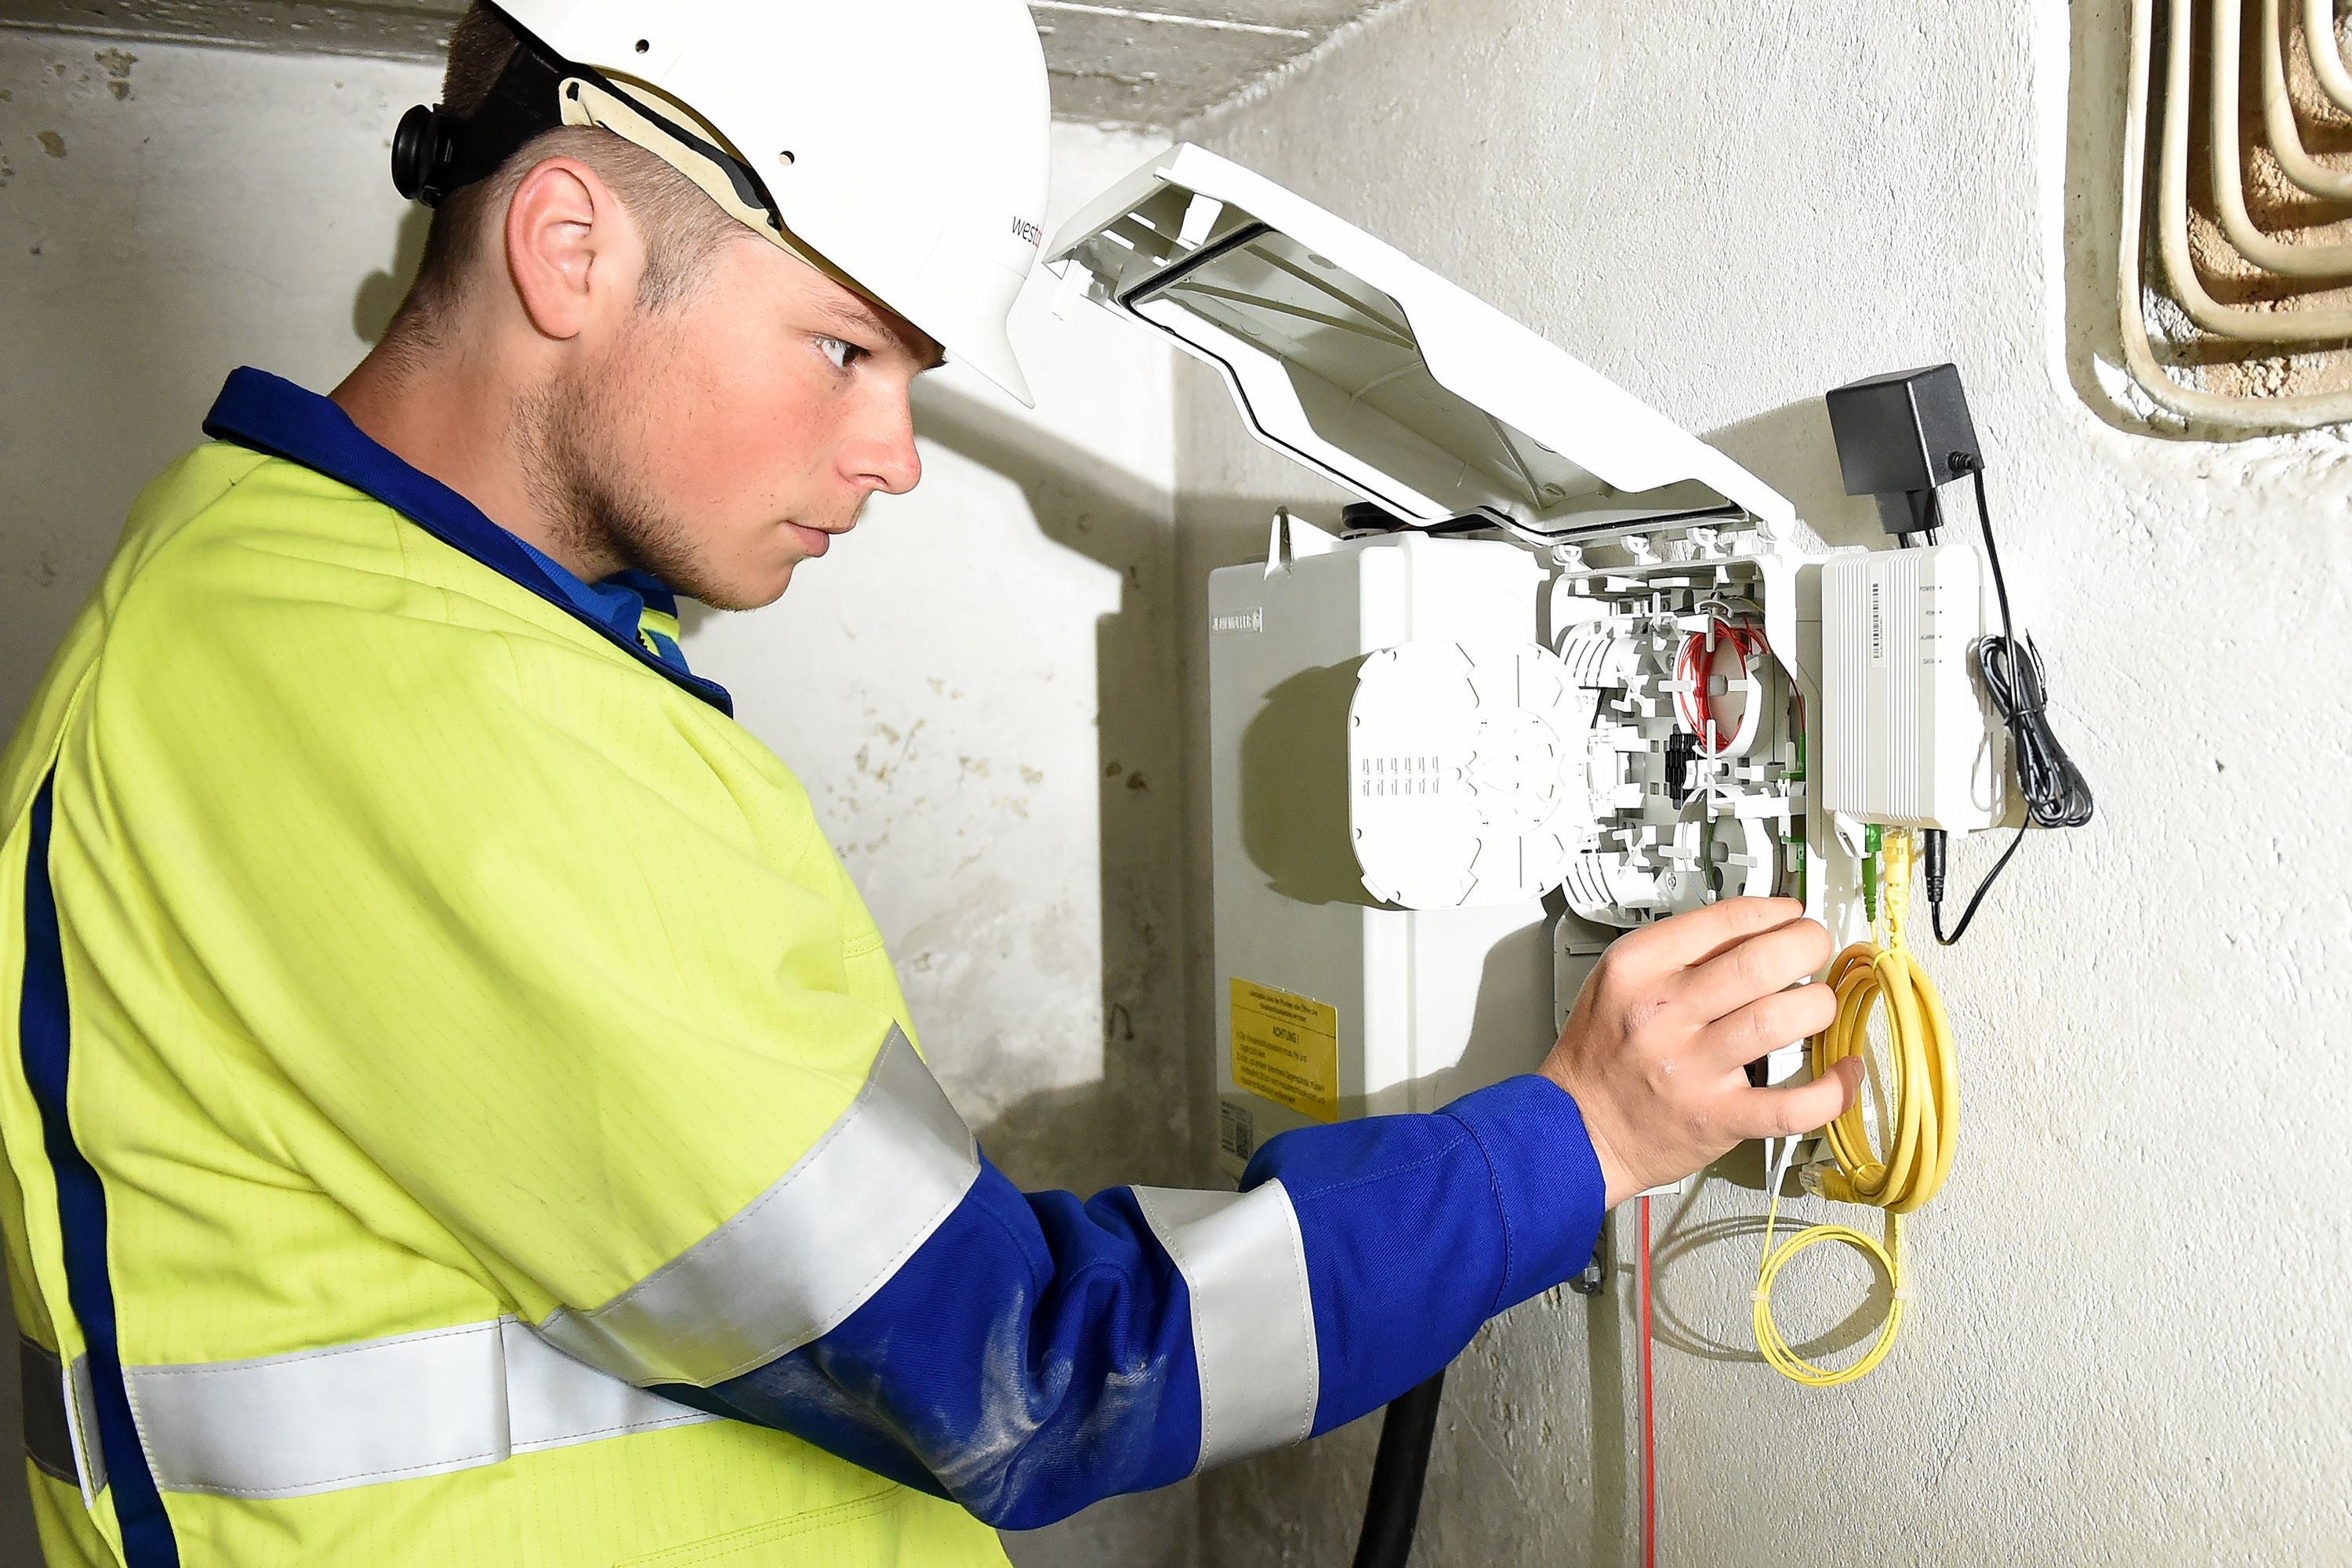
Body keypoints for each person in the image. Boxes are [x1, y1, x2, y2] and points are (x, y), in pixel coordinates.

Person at [0, 2, 1861, 1563]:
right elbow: (1025, 1373)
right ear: (568, 247)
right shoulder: (408, 699)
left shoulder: (301, 603)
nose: (892, 452)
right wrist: (1583, 1140)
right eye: (844, 349)